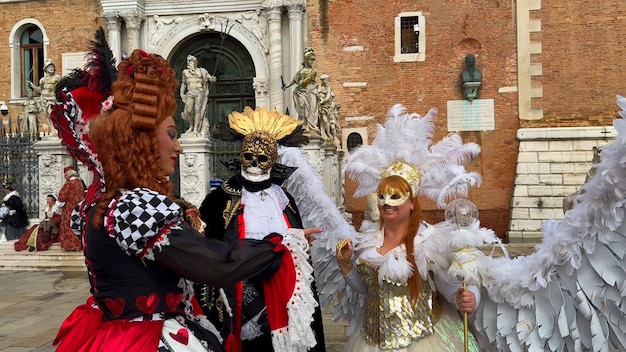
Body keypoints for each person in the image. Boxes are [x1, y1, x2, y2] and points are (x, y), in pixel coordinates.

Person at [50, 36, 320, 352]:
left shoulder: (105, 202)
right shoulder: (132, 205)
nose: (178, 145)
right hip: (145, 338)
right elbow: (216, 265)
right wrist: (280, 245)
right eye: (171, 134)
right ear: (141, 141)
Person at [198, 106, 326, 352]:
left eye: (262, 158)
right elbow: (209, 250)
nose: (254, 163)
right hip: (240, 299)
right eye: (249, 156)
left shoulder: (284, 199)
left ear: (273, 160)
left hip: (284, 298)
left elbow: (298, 254)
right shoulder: (220, 199)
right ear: (241, 156)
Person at [283, 47, 319, 135]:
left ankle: (311, 126)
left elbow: (308, 79)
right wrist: (286, 86)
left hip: (311, 91)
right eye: (310, 60)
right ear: (306, 60)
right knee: (302, 105)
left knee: (311, 109)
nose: (311, 62)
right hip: (301, 92)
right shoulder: (301, 72)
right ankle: (303, 122)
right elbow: (294, 80)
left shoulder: (314, 71)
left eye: (312, 60)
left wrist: (300, 84)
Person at [180, 54, 216, 135]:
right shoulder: (185, 72)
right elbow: (184, 83)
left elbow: (210, 78)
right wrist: (181, 93)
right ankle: (191, 126)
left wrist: (213, 79)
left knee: (197, 110)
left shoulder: (202, 71)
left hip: (199, 92)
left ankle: (195, 129)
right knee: (189, 111)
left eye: (191, 61)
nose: (189, 63)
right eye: (188, 61)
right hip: (190, 92)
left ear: (195, 62)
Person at [28, 59, 61, 135]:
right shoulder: (42, 79)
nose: (51, 68)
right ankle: (53, 130)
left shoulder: (57, 77)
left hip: (52, 98)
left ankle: (57, 129)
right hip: (43, 99)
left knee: (51, 113)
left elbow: (61, 88)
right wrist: (33, 86)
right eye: (49, 67)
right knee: (46, 115)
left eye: (52, 67)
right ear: (45, 69)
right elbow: (40, 90)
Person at [56, 166, 85, 251]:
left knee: (69, 226)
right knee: (77, 225)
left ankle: (70, 246)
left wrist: (59, 204)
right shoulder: (79, 183)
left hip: (69, 209)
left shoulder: (68, 184)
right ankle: (78, 245)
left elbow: (62, 197)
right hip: (78, 208)